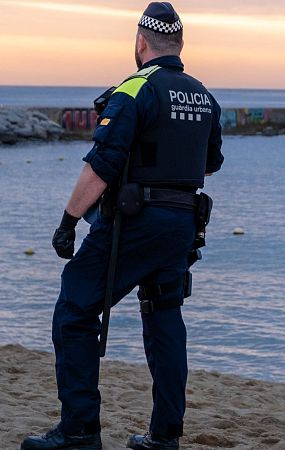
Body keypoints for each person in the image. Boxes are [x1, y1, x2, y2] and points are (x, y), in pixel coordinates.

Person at [21, 3, 223, 449]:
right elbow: (210, 164)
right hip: (183, 224)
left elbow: (103, 164)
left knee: (74, 309)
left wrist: (68, 221)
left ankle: (79, 430)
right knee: (164, 318)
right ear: (181, 44)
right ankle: (164, 436)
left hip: (134, 221)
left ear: (140, 42)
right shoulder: (203, 95)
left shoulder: (134, 89)